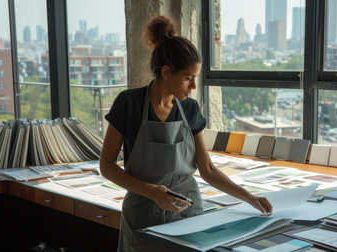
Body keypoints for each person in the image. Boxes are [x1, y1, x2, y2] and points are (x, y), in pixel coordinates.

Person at [100, 16, 273, 251]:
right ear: (166, 72)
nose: (193, 87)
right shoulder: (128, 104)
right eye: (188, 78)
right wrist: (152, 191)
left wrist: (249, 198)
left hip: (188, 216)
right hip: (142, 217)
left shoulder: (189, 109)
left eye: (195, 79)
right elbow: (107, 166)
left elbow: (208, 169)